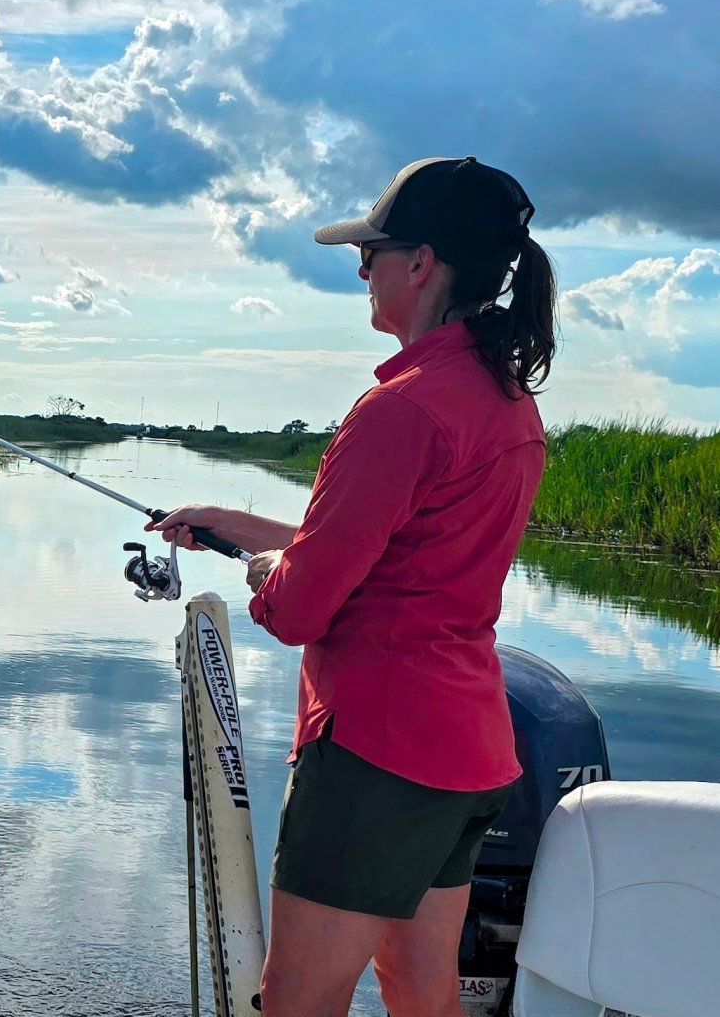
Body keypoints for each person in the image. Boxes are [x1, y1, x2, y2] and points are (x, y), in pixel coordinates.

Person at [149, 156, 557, 1017]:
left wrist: (266, 573)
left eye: (371, 252)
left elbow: (299, 608)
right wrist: (237, 522)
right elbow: (395, 560)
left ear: (423, 263)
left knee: (296, 1002)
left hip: (378, 754)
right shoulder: (507, 404)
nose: (361, 270)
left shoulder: (400, 410)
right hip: (467, 754)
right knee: (421, 993)